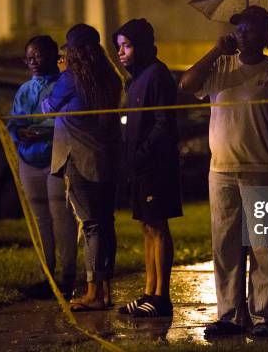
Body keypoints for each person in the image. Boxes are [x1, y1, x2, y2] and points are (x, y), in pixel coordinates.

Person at [180, 5, 268, 337]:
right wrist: (215, 49)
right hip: (222, 170)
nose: (242, 34)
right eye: (239, 28)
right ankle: (230, 316)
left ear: (265, 33)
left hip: (262, 167)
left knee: (265, 248)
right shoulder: (220, 65)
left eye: (250, 29)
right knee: (226, 247)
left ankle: (267, 318)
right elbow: (187, 84)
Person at [42, 24, 123, 311]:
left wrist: (63, 74)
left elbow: (48, 107)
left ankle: (92, 293)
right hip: (107, 157)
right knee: (105, 223)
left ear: (73, 51)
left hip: (79, 158)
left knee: (91, 225)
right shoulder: (111, 77)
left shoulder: (72, 77)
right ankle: (105, 290)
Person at [114, 18, 183, 318]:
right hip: (138, 166)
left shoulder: (157, 75)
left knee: (158, 226)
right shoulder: (136, 78)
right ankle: (148, 291)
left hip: (155, 165)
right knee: (146, 226)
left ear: (141, 46)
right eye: (119, 47)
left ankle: (161, 296)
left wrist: (142, 152)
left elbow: (163, 123)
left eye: (127, 46)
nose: (122, 52)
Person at [8, 35, 77, 299]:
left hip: (56, 159)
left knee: (62, 218)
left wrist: (41, 130)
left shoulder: (64, 83)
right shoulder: (24, 90)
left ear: (52, 56)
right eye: (29, 57)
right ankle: (45, 275)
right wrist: (20, 135)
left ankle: (68, 276)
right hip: (29, 160)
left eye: (38, 55)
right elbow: (15, 122)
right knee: (40, 220)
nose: (33, 61)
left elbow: (65, 120)